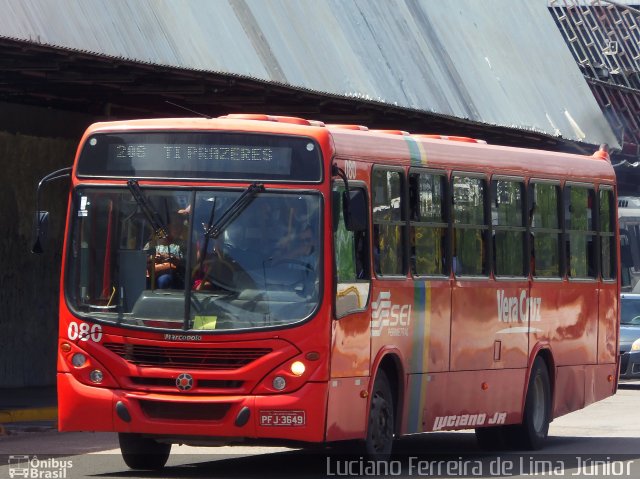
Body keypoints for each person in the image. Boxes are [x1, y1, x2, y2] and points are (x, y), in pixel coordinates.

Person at [147, 219, 186, 289]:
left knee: (164, 280)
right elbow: (143, 258)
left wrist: (167, 257)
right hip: (152, 271)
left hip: (172, 273)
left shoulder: (180, 244)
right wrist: (152, 258)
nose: (177, 229)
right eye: (175, 225)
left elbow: (184, 262)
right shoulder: (152, 244)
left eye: (179, 226)